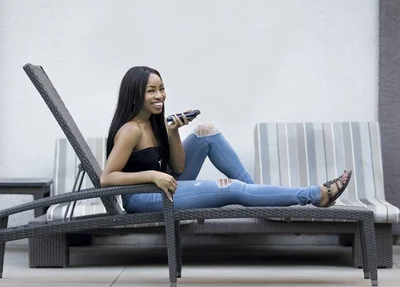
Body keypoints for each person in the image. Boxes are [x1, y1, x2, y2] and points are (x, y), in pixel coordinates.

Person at [101, 66, 352, 212]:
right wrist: (152, 175)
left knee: (207, 131)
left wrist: (173, 132)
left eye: (162, 88)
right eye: (151, 91)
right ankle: (314, 195)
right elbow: (107, 178)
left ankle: (258, 198)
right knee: (230, 188)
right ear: (135, 95)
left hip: (164, 186)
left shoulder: (154, 123)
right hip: (143, 197)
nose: (160, 96)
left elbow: (177, 168)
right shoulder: (131, 130)